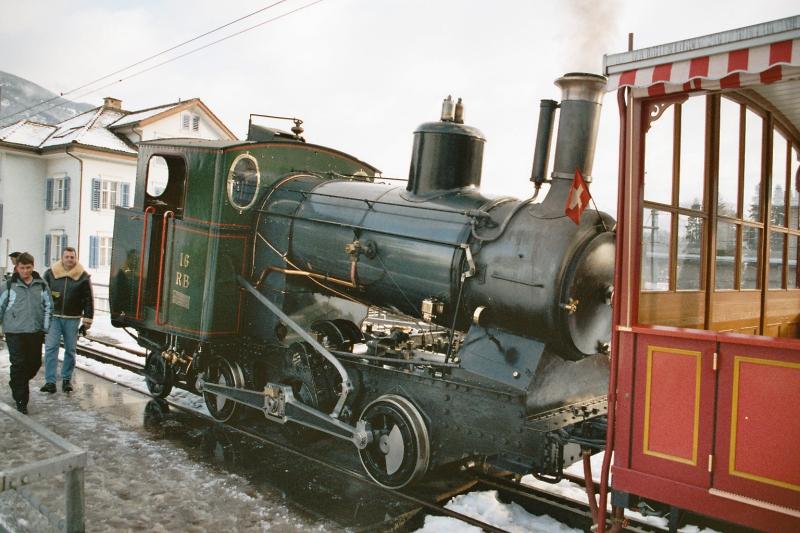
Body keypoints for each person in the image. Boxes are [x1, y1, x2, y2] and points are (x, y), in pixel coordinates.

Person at [0, 252, 52, 414]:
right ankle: (21, 400)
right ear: (17, 268)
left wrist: (45, 327)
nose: (25, 271)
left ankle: (17, 382)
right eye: (22, 268)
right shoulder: (9, 286)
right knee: (19, 364)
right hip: (14, 332)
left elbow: (49, 307)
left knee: (34, 364)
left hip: (34, 331)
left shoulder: (41, 285)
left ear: (33, 266)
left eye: (28, 267)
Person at [41, 247, 93, 394]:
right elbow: (42, 295)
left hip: (73, 318)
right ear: (62, 258)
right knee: (51, 348)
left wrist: (87, 320)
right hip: (54, 317)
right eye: (67, 257)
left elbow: (89, 299)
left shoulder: (83, 276)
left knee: (70, 350)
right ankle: (50, 382)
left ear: (75, 258)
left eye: (72, 257)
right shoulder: (51, 273)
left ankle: (66, 380)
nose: (70, 259)